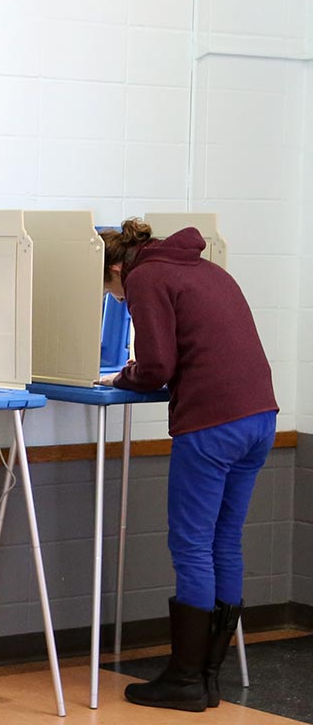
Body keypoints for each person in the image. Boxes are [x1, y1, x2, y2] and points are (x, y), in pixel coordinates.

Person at [96, 218, 277, 712]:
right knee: (224, 540)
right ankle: (208, 679)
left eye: (111, 291)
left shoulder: (146, 279)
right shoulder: (208, 271)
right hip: (260, 419)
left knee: (192, 544)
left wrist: (121, 377)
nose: (116, 299)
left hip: (212, 424)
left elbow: (157, 365)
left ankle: (183, 681)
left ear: (117, 268)